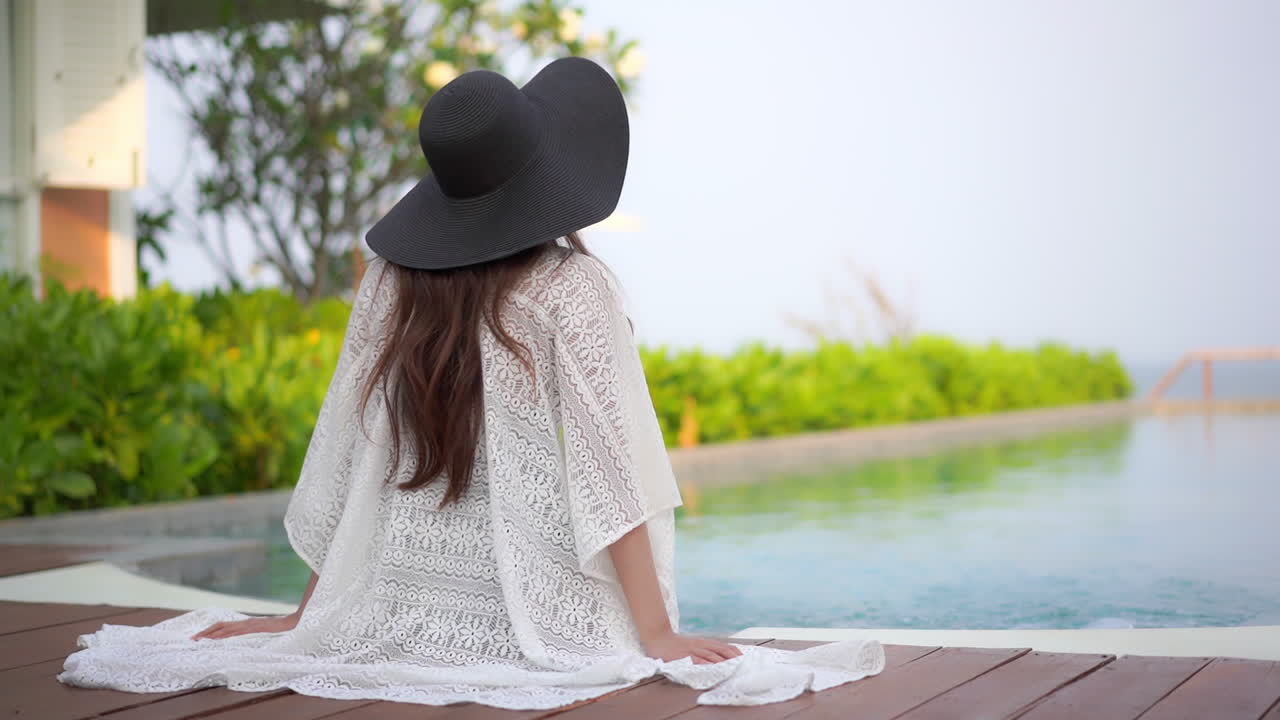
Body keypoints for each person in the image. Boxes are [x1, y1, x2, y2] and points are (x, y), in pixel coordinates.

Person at [58, 57, 883, 709]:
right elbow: (611, 473)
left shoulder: (390, 280)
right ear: (545, 175)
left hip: (387, 601)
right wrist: (657, 632)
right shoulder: (573, 288)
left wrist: (312, 616)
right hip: (537, 614)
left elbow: (342, 459)